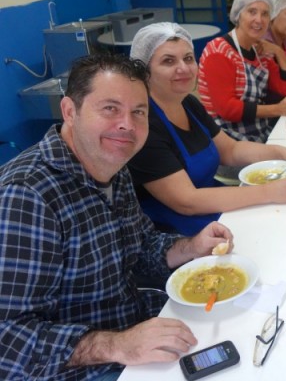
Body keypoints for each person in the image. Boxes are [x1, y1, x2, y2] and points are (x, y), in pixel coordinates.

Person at [0, 54, 233, 380]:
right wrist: (118, 346)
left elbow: (139, 248)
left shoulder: (113, 163)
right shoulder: (26, 196)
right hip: (77, 367)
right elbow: (8, 339)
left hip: (134, 320)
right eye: (110, 108)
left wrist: (191, 247)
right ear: (70, 111)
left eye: (139, 112)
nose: (127, 124)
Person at [128, 23, 286, 236]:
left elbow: (230, 150)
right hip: (180, 233)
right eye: (168, 61)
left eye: (188, 58)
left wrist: (280, 152)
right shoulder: (143, 125)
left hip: (214, 207)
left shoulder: (188, 104)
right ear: (144, 70)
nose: (184, 68)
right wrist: (269, 192)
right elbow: (187, 201)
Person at [198, 0, 286, 143]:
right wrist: (277, 109)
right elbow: (227, 109)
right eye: (252, 11)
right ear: (239, 15)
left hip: (258, 130)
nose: (259, 20)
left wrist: (278, 52)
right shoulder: (218, 51)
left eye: (265, 14)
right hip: (226, 139)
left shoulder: (260, 52)